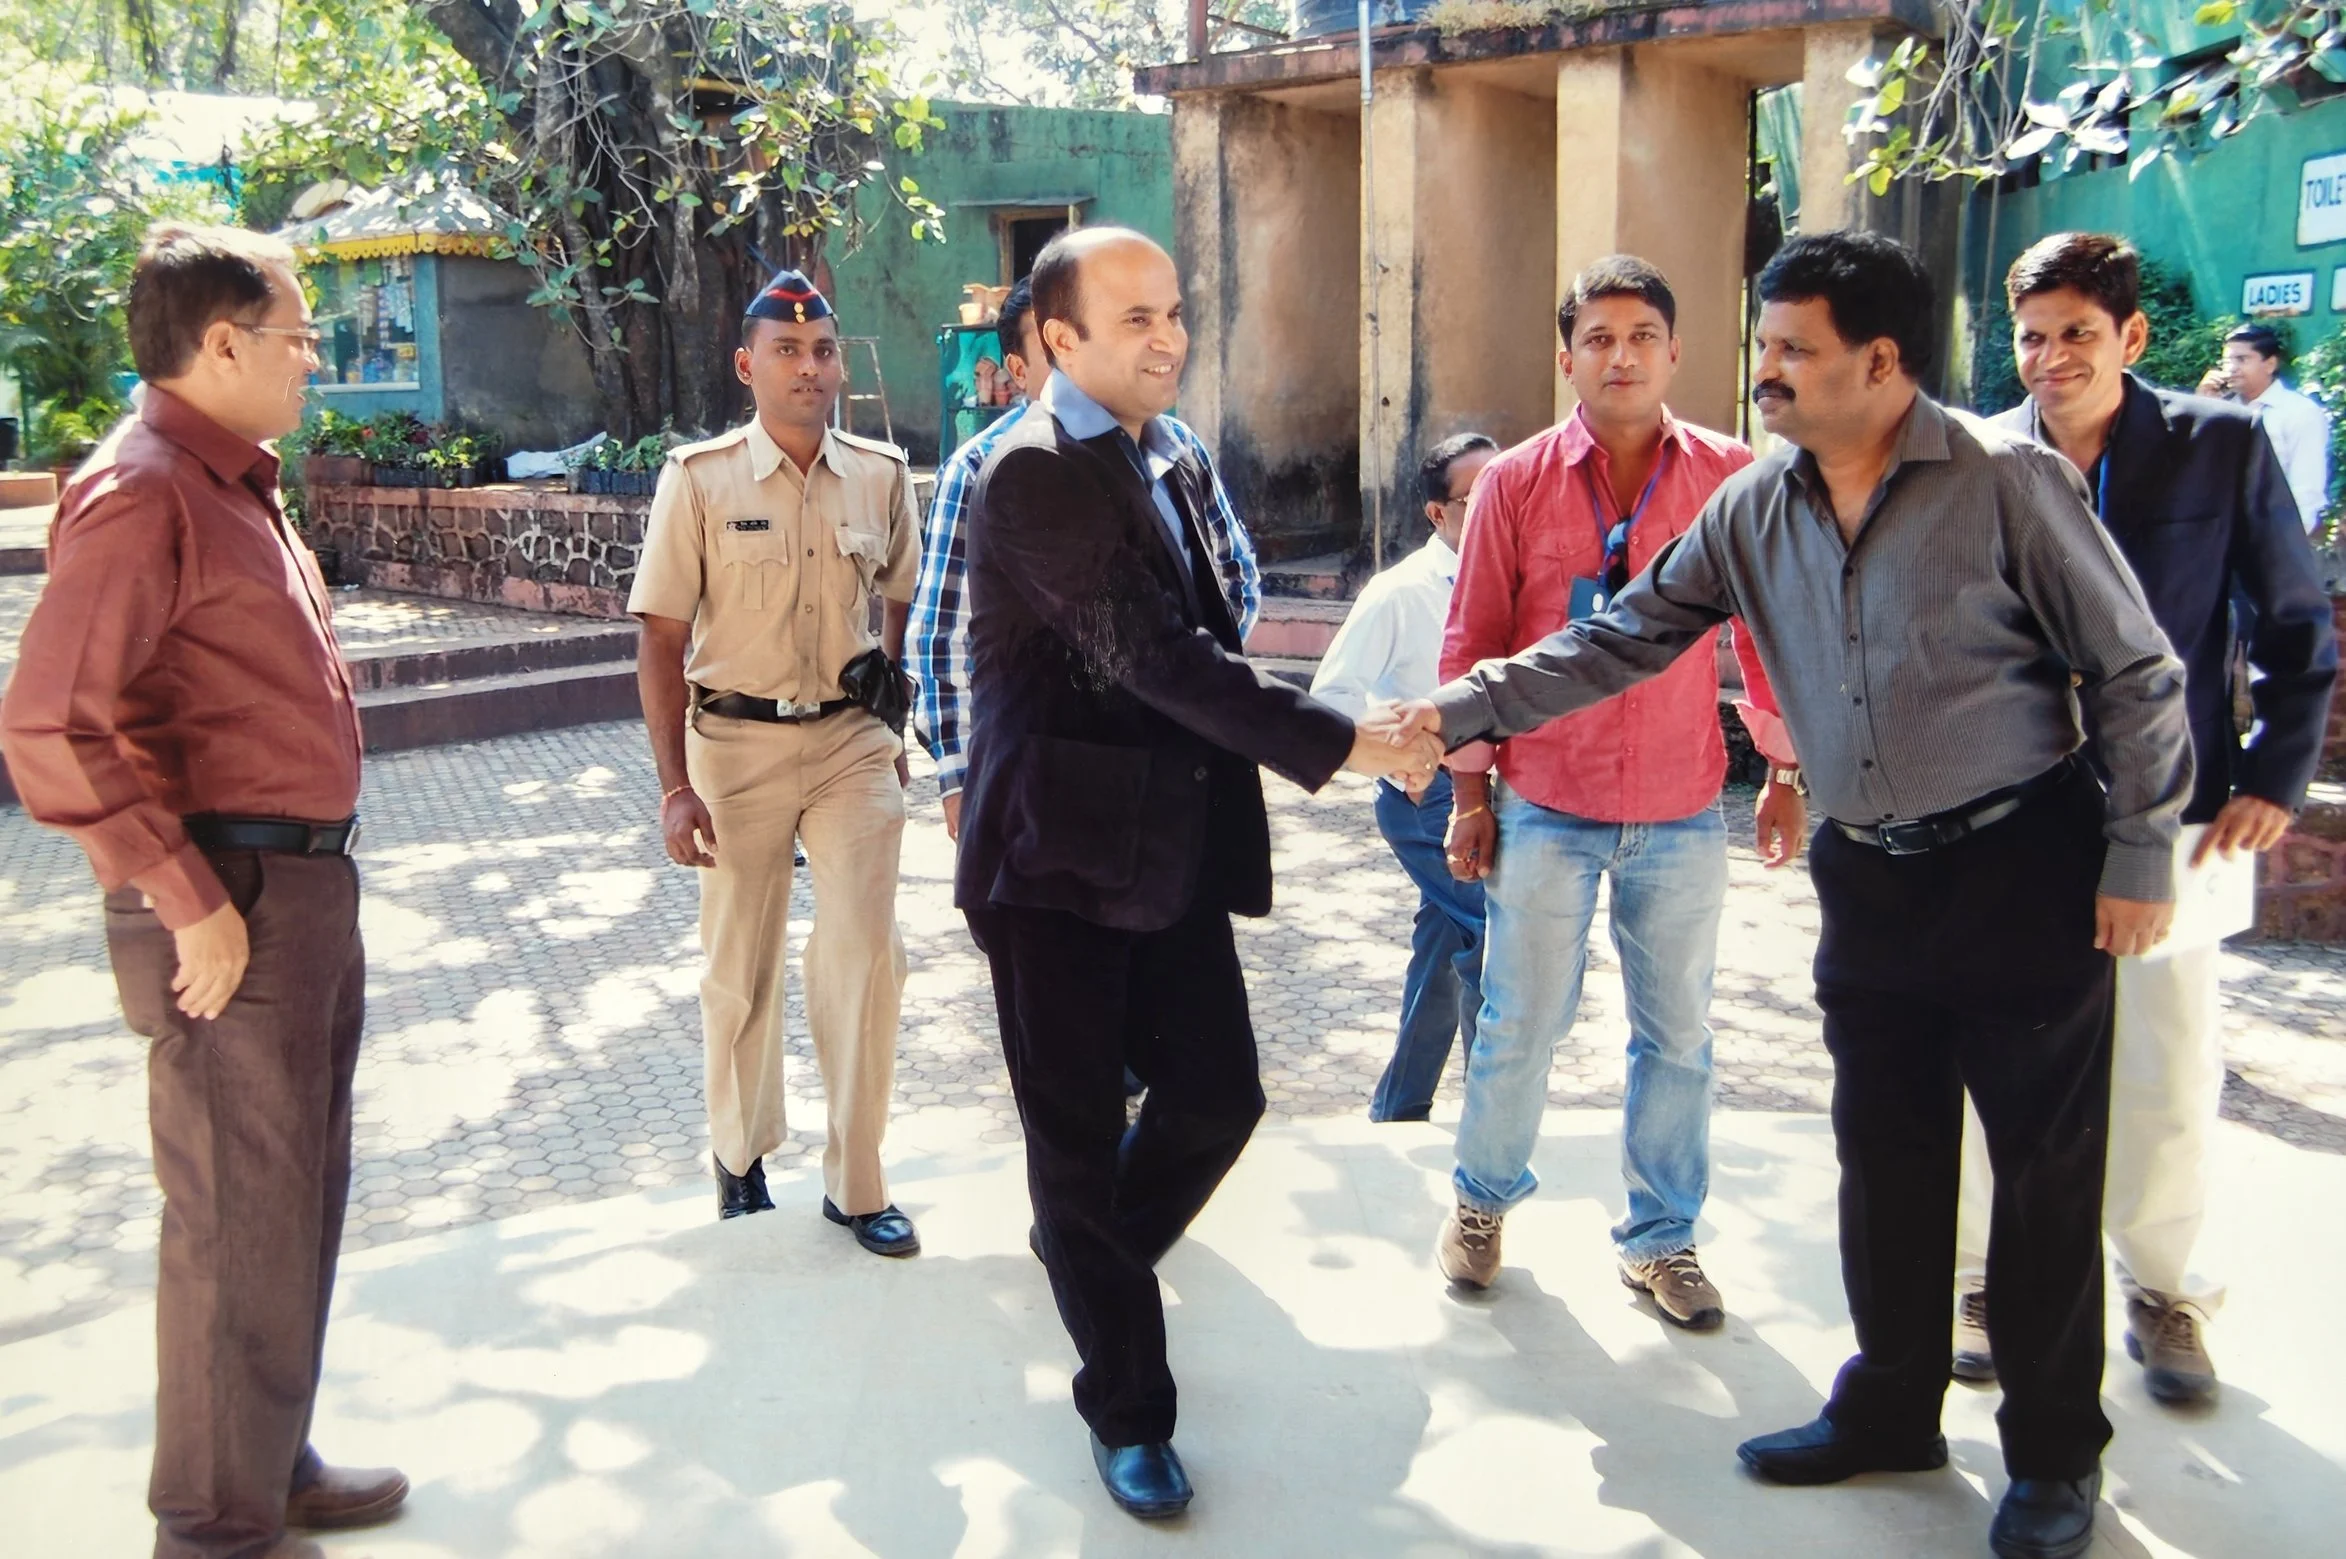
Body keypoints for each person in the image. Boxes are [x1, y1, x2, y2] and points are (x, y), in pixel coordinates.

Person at [1381, 231, 2192, 1559]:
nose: (1763, 374)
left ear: (1880, 361)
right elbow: (1620, 634)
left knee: (2043, 1175)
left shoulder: (2005, 482)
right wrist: (1454, 714)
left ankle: (2052, 1456)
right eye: (1761, 348)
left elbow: (2135, 672)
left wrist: (2138, 855)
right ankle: (1888, 1405)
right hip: (1867, 874)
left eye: (1789, 351)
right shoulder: (1757, 503)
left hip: (2019, 865)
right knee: (1884, 1147)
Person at [957, 225, 1439, 1521]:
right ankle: (1127, 1405)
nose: (1167, 336)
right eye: (1132, 318)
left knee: (1216, 1099)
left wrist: (1334, 724)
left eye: (1173, 311)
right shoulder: (1036, 473)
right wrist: (1343, 741)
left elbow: (1193, 644)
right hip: (1050, 864)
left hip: (1161, 853)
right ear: (1056, 340)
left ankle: (1084, 1251)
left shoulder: (1157, 454)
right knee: (1071, 1137)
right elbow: (1155, 656)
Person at [0, 222, 407, 1559]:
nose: (315, 358)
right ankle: (213, 1525)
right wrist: (186, 895)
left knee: (290, 1196)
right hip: (230, 897)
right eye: (299, 336)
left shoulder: (228, 479)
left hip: (296, 887)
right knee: (238, 1208)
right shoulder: (144, 490)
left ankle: (262, 1458)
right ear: (222, 341)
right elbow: (49, 724)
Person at [1954, 232, 2338, 1403]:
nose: (2050, 357)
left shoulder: (2216, 444)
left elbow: (2289, 614)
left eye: (2076, 332)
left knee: (2167, 1060)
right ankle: (1977, 1276)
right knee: (1992, 1051)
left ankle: (2165, 1291)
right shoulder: (1979, 454)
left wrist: (2276, 773)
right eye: (2030, 335)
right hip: (2012, 807)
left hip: (2176, 802)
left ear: (2131, 336)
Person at [1427, 255, 1805, 1330]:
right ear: (1568, 357)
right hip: (1548, 795)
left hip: (1684, 805)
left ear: (1675, 351)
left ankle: (1663, 1239)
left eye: (1641, 334)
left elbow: (1765, 634)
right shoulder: (1516, 479)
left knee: (1678, 1031)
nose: (1621, 353)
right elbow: (1477, 640)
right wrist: (1470, 790)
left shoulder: (1733, 475)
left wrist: (1783, 770)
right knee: (1520, 1020)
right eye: (1598, 337)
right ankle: (1482, 1202)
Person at [629, 268, 923, 1253]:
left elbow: (904, 600)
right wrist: (674, 787)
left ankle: (858, 1180)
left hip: (848, 743)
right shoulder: (701, 478)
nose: (810, 366)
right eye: (789, 351)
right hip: (734, 746)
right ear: (748, 365)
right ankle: (742, 1158)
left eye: (825, 349)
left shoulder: (882, 474)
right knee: (740, 962)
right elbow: (661, 639)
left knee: (867, 952)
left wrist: (894, 714)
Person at [909, 276, 1261, 841]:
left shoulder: (1176, 450)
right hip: (1042, 778)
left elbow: (1233, 583)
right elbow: (941, 637)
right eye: (1054, 353)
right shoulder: (980, 469)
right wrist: (960, 778)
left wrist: (1185, 685)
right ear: (1018, 373)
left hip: (1177, 762)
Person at [1311, 432, 1498, 1123]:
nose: (1497, 508)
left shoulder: (1516, 577)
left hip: (1499, 787)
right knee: (1494, 936)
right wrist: (1400, 752)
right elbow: (1333, 694)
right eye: (1477, 500)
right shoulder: (1400, 594)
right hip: (1428, 798)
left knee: (1447, 940)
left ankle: (1398, 1108)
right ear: (1436, 515)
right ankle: (1494, 1122)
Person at [2199, 323, 2331, 534]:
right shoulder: (2219, 407)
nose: (2231, 369)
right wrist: (2202, 407)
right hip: (2218, 534)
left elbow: (2307, 489)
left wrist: (2285, 542)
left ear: (2270, 364)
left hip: (2273, 534)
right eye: (2226, 361)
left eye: (2241, 360)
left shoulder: (2300, 412)